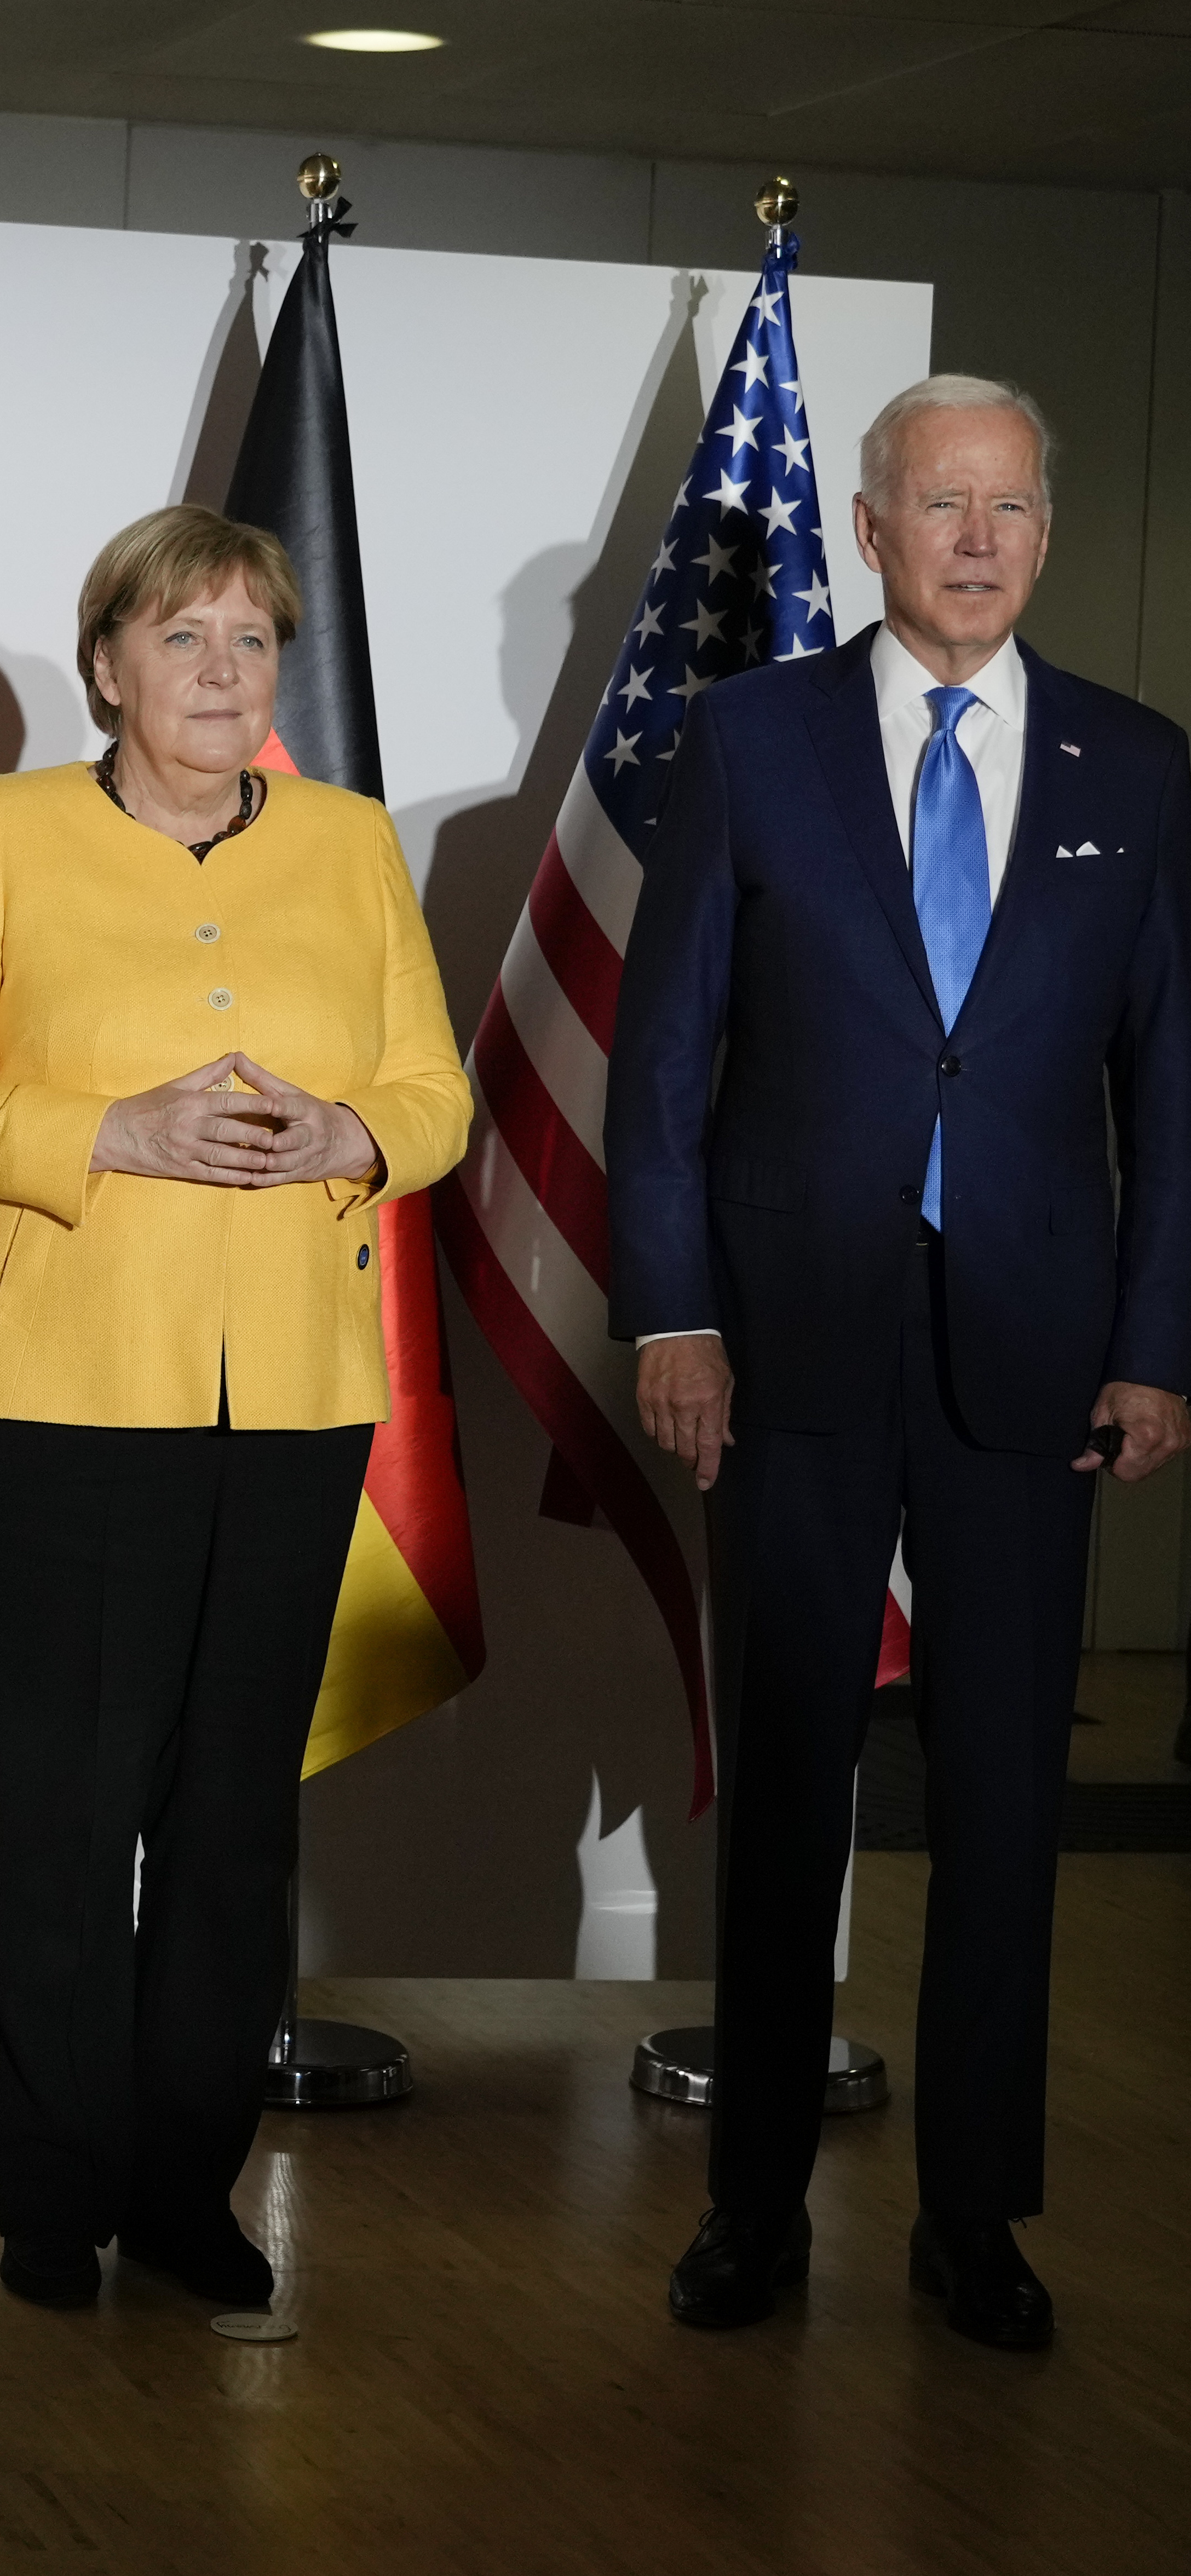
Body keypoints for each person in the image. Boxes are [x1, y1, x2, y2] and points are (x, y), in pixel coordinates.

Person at [609, 373, 1191, 2349]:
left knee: (1009, 1796)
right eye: (938, 504)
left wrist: (1154, 1343)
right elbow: (663, 1059)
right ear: (864, 528)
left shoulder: (1134, 763)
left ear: (1044, 531)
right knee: (786, 1781)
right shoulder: (748, 741)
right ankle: (752, 2200)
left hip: (1037, 1350)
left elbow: (1173, 1095)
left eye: (1008, 508)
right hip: (785, 1343)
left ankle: (973, 2214)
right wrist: (669, 1308)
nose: (975, 540)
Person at [0, 505, 470, 2317]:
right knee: (65, 1805)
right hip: (43, 1400)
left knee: (230, 1819)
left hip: (286, 1399)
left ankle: (185, 2185)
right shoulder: (3, 832)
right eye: (180, 638)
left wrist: (357, 1133)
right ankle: (48, 2195)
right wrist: (101, 1131)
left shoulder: (353, 847)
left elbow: (431, 1090)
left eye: (250, 641)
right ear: (104, 663)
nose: (219, 673)